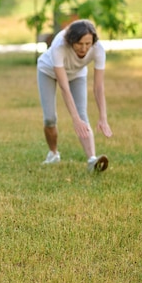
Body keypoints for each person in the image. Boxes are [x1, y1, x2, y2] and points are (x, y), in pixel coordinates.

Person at [37, 19, 113, 172]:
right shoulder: (59, 46)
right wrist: (74, 119)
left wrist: (103, 117)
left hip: (77, 74)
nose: (84, 48)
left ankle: (92, 160)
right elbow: (64, 87)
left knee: (82, 114)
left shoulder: (98, 49)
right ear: (71, 41)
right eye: (79, 44)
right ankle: (53, 153)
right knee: (50, 118)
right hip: (48, 71)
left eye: (87, 44)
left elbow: (98, 87)